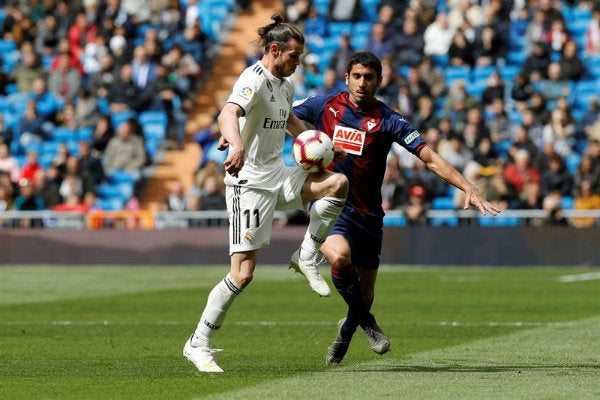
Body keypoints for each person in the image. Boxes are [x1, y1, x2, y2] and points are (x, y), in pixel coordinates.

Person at [292, 51, 500, 366]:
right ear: (347, 77)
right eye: (357, 76)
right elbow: (278, 114)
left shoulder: (389, 119)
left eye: (369, 77)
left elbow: (428, 157)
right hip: (331, 206)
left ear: (379, 80)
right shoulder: (323, 105)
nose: (362, 83)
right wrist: (236, 129)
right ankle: (369, 324)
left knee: (366, 292)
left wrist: (467, 186)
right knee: (338, 256)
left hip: (369, 213)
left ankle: (348, 329)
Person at [183, 14, 349, 373]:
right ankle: (199, 342)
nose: (298, 63)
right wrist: (237, 145)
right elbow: (228, 113)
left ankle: (306, 256)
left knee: (336, 183)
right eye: (294, 56)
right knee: (242, 273)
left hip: (278, 176)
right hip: (250, 185)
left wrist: (321, 145)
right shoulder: (253, 79)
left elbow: (290, 121)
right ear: (274, 51)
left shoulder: (285, 86)